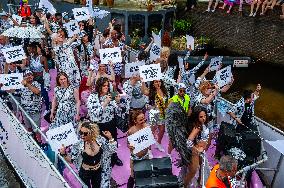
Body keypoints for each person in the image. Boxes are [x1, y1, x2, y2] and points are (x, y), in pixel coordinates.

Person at [59, 121, 117, 188]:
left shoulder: (100, 140)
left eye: (85, 133)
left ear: (91, 133)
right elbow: (71, 160)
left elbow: (111, 151)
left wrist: (110, 138)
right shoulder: (78, 144)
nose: (82, 135)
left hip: (98, 170)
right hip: (85, 172)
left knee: (97, 186)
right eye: (81, 132)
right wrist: (64, 154)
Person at [87, 77, 123, 166]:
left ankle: (114, 157)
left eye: (107, 85)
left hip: (110, 123)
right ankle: (102, 160)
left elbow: (119, 111)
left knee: (113, 140)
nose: (106, 87)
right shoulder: (92, 97)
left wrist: (118, 102)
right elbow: (95, 113)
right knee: (100, 143)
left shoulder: (110, 94)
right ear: (99, 87)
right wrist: (105, 103)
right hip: (98, 125)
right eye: (104, 86)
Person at [184, 106, 210, 187]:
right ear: (196, 117)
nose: (203, 118)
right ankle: (184, 185)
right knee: (193, 171)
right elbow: (188, 142)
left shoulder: (203, 124)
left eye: (205, 116)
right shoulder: (197, 127)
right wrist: (196, 149)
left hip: (201, 151)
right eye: (201, 117)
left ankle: (199, 183)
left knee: (202, 168)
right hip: (195, 153)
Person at [127, 110, 152, 188]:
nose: (143, 121)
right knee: (133, 175)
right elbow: (128, 144)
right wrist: (129, 146)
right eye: (140, 120)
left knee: (145, 174)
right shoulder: (131, 131)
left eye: (144, 118)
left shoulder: (147, 127)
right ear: (135, 121)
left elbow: (149, 141)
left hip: (146, 155)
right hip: (135, 157)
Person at [148, 80, 168, 152]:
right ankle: (149, 149)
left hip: (162, 113)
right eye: (156, 82)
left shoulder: (164, 90)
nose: (158, 83)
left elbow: (166, 103)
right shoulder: (151, 91)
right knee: (152, 131)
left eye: (159, 81)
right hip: (154, 113)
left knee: (162, 130)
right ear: (153, 84)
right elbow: (144, 91)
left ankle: (158, 143)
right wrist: (143, 81)